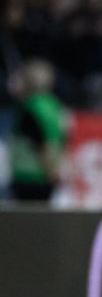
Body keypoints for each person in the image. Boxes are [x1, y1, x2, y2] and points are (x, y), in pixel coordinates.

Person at [7, 58, 68, 202]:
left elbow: (40, 143)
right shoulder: (55, 105)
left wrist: (50, 172)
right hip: (48, 175)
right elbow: (63, 139)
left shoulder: (29, 108)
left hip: (28, 178)